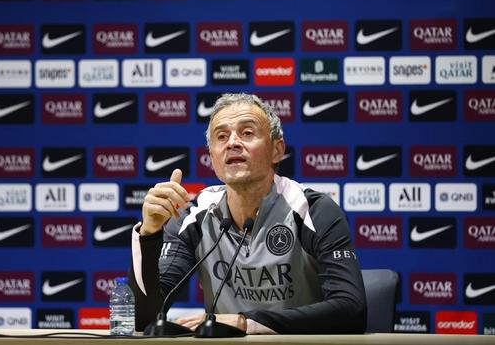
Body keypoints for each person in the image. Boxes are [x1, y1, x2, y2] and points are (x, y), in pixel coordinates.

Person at [128, 93, 367, 334]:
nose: (232, 143)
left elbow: (351, 309)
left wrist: (246, 323)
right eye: (221, 136)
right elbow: (144, 319)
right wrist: (150, 234)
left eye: (247, 133)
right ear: (212, 157)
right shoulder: (194, 217)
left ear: (277, 150)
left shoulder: (312, 210)